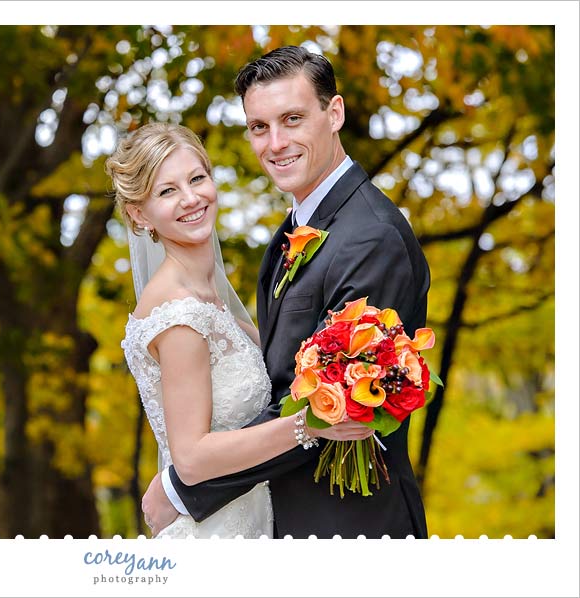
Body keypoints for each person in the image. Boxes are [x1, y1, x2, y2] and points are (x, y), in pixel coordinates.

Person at [141, 46, 432, 539]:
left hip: (351, 525)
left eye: (292, 119)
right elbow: (282, 379)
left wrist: (186, 489)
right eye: (259, 127)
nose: (276, 143)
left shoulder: (370, 237)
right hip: (287, 524)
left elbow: (332, 405)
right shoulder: (293, 231)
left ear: (333, 113)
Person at [108, 122, 373, 538]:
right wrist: (310, 423)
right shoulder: (179, 316)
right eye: (167, 191)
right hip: (215, 536)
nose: (191, 198)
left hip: (255, 518)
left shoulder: (209, 301)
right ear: (141, 215)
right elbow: (192, 458)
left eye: (197, 179)